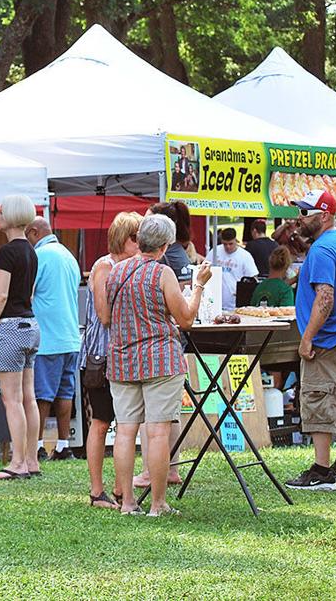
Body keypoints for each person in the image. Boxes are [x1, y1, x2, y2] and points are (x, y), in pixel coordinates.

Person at [108, 214, 211, 516]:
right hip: (159, 360)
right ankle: (157, 504)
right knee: (157, 433)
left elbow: (105, 316)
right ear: (165, 245)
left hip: (123, 359)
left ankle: (127, 502)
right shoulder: (162, 274)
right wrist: (199, 286)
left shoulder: (115, 271)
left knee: (125, 432)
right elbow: (186, 319)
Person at [284, 189, 336, 492]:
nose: (299, 218)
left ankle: (321, 470)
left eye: (306, 212)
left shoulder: (321, 249)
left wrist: (307, 338)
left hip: (328, 341)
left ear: (325, 215)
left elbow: (326, 296)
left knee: (319, 401)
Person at [0, 195, 41, 480]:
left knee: (11, 399)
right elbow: (27, 294)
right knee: (28, 397)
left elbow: (0, 294)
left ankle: (16, 463)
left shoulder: (6, 252)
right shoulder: (31, 251)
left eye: (0, 211)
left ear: (12, 216)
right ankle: (31, 460)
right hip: (31, 326)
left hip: (10, 327)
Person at [84, 211, 141, 508]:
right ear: (124, 238)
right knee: (102, 422)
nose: (140, 243)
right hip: (102, 355)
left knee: (125, 422)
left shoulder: (132, 266)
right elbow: (104, 315)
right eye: (136, 238)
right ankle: (97, 491)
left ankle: (121, 488)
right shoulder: (105, 267)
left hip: (123, 354)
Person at [24, 216, 82, 461]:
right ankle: (62, 444)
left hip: (48, 337)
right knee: (65, 393)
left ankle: (36, 445)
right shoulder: (69, 256)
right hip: (70, 335)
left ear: (35, 232)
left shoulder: (41, 256)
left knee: (42, 395)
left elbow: (28, 292)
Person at [207, 227, 258, 310]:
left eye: (231, 244)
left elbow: (252, 278)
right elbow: (205, 268)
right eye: (225, 244)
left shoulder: (245, 256)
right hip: (215, 301)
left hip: (235, 303)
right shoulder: (215, 251)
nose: (228, 247)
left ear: (235, 240)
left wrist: (243, 292)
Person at [148, 201, 195, 282]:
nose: (143, 224)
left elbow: (183, 291)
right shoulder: (171, 250)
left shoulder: (175, 255)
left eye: (148, 221)